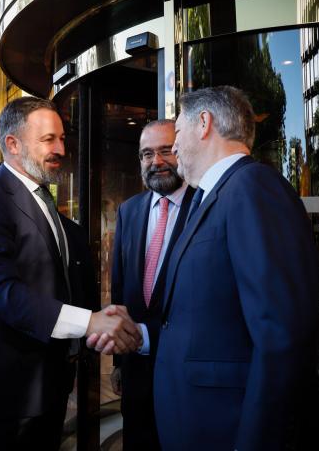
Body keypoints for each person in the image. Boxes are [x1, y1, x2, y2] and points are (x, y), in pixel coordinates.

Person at [0, 97, 142, 450]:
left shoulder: (51, 208)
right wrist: (90, 322)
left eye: (62, 139)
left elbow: (63, 286)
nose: (61, 149)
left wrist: (98, 325)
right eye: (48, 139)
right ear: (13, 144)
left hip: (48, 387)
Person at [153, 87, 319, 450]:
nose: (173, 149)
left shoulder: (253, 188)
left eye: (178, 132)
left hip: (233, 429)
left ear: (204, 123)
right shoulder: (213, 197)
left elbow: (281, 336)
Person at [110, 119, 195, 450]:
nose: (156, 161)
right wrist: (119, 361)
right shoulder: (129, 211)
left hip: (185, 374)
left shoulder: (206, 206)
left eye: (165, 151)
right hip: (136, 373)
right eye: (147, 154)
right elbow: (120, 289)